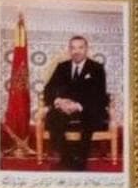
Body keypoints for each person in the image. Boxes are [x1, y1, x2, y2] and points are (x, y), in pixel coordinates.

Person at [41, 34, 108, 170]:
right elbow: (49, 89)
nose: (76, 51)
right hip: (64, 108)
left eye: (80, 47)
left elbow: (99, 95)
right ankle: (66, 158)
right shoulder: (62, 67)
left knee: (90, 117)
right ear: (69, 50)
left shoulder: (97, 68)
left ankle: (80, 161)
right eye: (73, 48)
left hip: (86, 108)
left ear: (86, 49)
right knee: (53, 118)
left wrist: (78, 105)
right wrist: (59, 101)